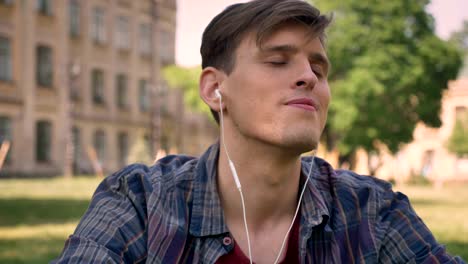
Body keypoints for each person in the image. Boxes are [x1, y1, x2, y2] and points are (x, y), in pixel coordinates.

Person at [53, 0, 465, 263]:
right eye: (278, 61)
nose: (308, 77)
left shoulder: (371, 212)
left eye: (318, 68)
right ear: (216, 89)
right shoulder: (141, 202)